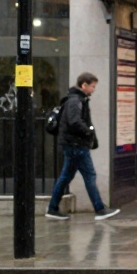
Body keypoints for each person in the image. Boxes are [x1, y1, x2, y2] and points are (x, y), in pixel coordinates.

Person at [45, 72, 121, 221]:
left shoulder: (76, 99)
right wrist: (88, 132)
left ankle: (53, 208)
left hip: (72, 144)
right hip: (76, 145)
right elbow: (74, 121)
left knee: (66, 176)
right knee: (89, 175)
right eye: (92, 86)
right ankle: (99, 209)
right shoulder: (75, 100)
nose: (94, 89)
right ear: (84, 85)